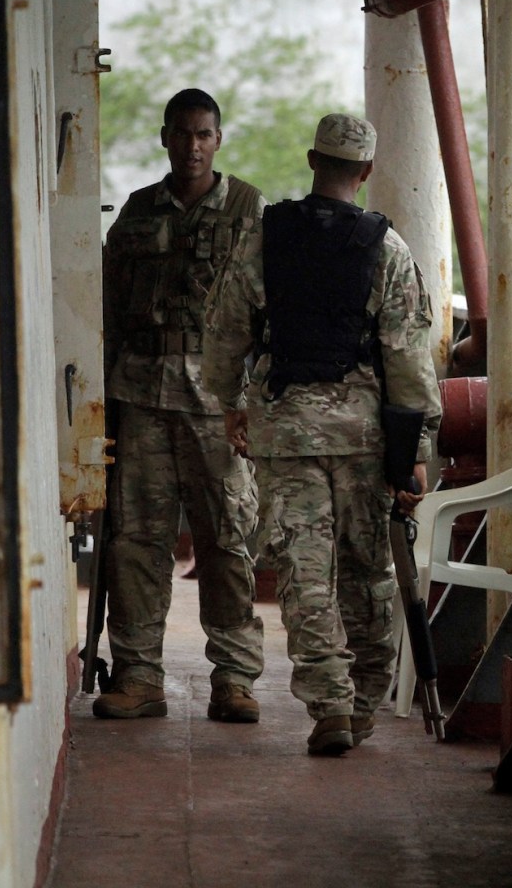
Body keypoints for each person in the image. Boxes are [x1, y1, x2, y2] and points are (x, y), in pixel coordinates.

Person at [202, 113, 442, 755]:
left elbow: (225, 332)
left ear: (313, 161)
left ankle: (330, 705)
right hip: (365, 437)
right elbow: (409, 361)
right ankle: (363, 698)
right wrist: (414, 454)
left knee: (305, 572)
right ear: (365, 172)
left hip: (286, 433)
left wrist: (231, 405)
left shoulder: (263, 237)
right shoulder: (386, 248)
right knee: (368, 572)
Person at [95, 88, 265, 722]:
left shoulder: (250, 211)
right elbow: (106, 303)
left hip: (218, 405)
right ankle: (139, 675)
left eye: (204, 134)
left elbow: (270, 315)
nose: (192, 146)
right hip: (140, 395)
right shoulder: (137, 213)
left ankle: (235, 678)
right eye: (182, 134)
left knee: (226, 538)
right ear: (164, 137)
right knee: (137, 540)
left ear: (218, 140)